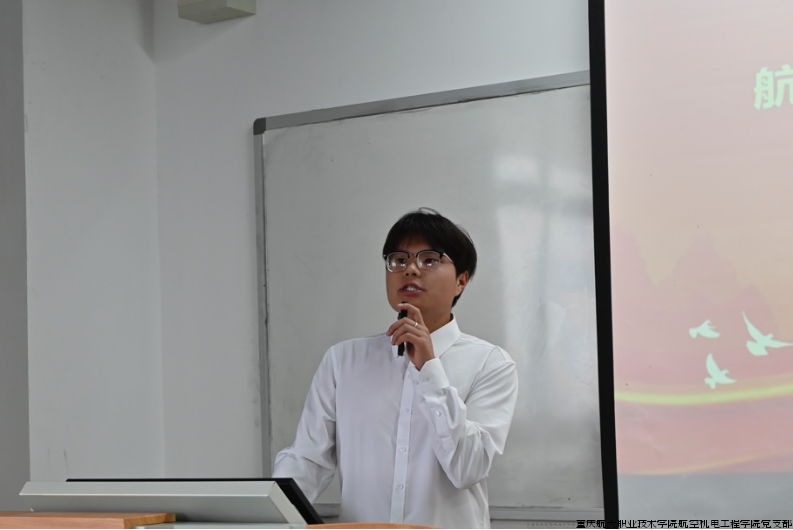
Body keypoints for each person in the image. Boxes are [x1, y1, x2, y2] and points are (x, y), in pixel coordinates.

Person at [273, 208, 519, 529]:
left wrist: (430, 369)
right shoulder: (343, 360)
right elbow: (308, 460)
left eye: (430, 260)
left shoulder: (491, 364)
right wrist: (266, 510)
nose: (410, 269)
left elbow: (467, 468)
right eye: (399, 260)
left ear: (461, 280)